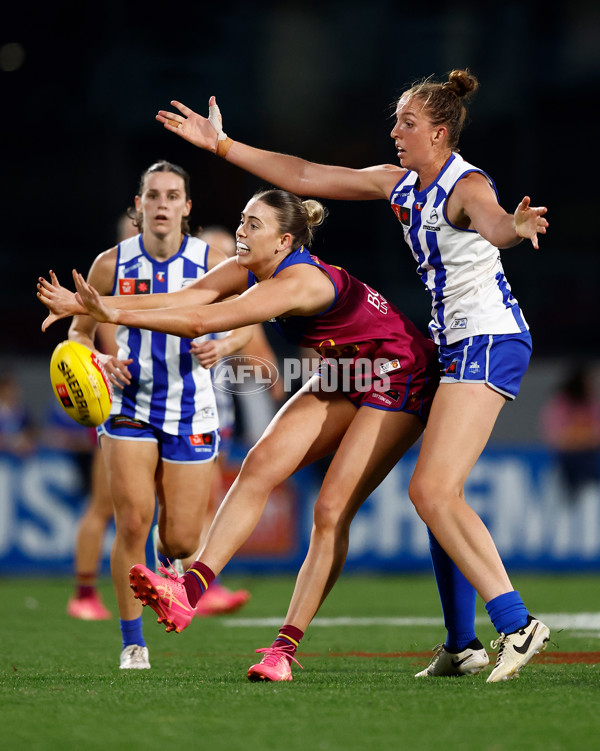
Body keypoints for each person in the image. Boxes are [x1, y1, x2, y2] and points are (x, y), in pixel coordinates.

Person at [147, 67, 550, 683]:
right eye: (396, 121)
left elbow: (492, 221)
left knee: (431, 493)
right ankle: (463, 644)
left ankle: (518, 624)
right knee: (442, 498)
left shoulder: (463, 184)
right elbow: (307, 176)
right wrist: (224, 146)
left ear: (439, 134)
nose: (395, 132)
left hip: (486, 341)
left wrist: (513, 230)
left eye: (407, 123)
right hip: (446, 345)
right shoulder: (401, 183)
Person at [41, 187, 445, 684]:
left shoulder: (297, 282)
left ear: (285, 241)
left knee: (329, 510)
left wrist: (112, 314)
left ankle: (283, 650)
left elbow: (198, 321)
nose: (241, 231)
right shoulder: (250, 266)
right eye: (242, 220)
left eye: (254, 224)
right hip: (349, 372)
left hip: (401, 375)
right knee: (258, 466)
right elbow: (190, 297)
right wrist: (101, 304)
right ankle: (188, 592)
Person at [40, 160, 252, 669]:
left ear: (187, 207)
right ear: (138, 206)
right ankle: (132, 641)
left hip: (191, 409)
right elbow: (79, 333)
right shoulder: (110, 264)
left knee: (183, 538)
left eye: (172, 196)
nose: (161, 204)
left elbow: (250, 322)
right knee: (131, 519)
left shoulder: (214, 261)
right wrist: (99, 360)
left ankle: (167, 558)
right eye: (152, 195)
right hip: (129, 406)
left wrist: (224, 346)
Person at [539, 365, 600, 499]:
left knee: (590, 498)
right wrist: (581, 436)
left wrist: (578, 436)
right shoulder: (562, 402)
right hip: (566, 461)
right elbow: (557, 436)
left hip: (589, 460)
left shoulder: (591, 403)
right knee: (564, 499)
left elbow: (596, 435)